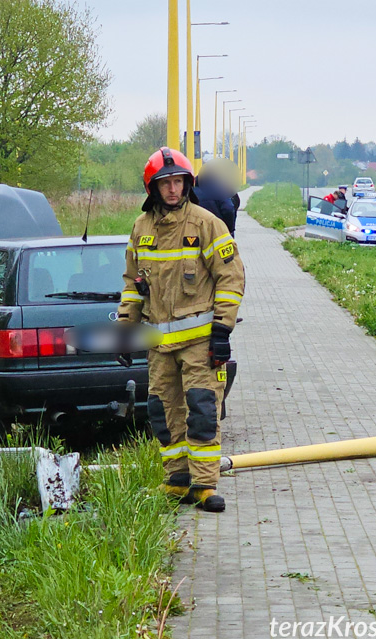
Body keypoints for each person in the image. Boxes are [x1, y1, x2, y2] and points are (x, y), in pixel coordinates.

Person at [118, 147, 245, 513]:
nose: (172, 189)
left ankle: (204, 485)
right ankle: (176, 480)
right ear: (152, 188)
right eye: (165, 183)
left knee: (202, 411)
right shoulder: (141, 229)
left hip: (200, 345)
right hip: (158, 346)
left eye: (178, 182)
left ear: (187, 184)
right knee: (162, 411)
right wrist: (126, 328)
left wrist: (222, 331)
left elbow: (231, 278)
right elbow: (132, 283)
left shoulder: (207, 223)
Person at [192, 169, 237, 236]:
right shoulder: (221, 191)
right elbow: (228, 208)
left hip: (195, 232)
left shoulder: (191, 192)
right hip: (218, 232)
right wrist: (229, 228)